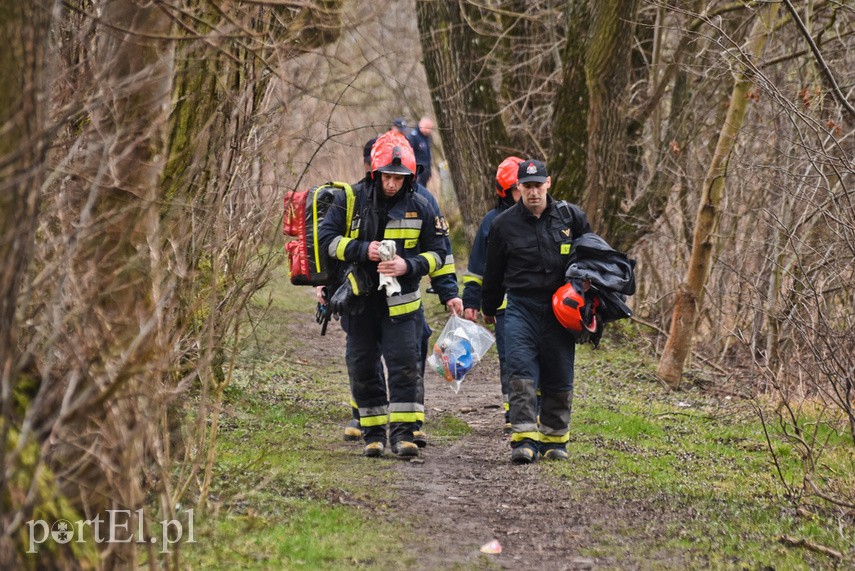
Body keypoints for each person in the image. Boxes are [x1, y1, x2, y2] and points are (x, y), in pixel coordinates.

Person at [318, 132, 451, 458]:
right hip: (359, 303)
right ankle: (373, 434)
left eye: (399, 177)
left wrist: (410, 265)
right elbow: (326, 240)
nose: (392, 183)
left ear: (410, 177)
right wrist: (364, 250)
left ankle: (404, 435)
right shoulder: (350, 199)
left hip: (403, 306)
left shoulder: (422, 206)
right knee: (362, 365)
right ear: (375, 173)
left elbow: (440, 254)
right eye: (387, 176)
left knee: (405, 366)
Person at [481, 159, 591, 464]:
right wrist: (489, 307)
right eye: (527, 187)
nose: (533, 192)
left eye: (537, 186)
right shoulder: (503, 225)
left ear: (549, 183)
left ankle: (555, 440)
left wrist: (590, 299)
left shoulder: (571, 217)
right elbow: (493, 272)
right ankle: (524, 440)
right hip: (520, 307)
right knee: (520, 370)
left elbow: (592, 257)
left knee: (559, 373)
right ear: (518, 188)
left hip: (560, 310)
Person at [462, 156, 523, 434]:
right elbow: (477, 268)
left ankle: (533, 407)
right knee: (510, 359)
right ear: (505, 191)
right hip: (504, 307)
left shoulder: (546, 216)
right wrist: (472, 302)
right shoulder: (493, 222)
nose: (524, 193)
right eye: (517, 189)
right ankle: (513, 410)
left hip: (536, 305)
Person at [406, 116, 434, 187]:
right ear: (420, 125)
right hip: (417, 172)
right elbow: (409, 155)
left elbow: (427, 156)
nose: (428, 130)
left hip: (425, 172)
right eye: (427, 127)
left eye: (430, 128)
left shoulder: (427, 138)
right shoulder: (413, 137)